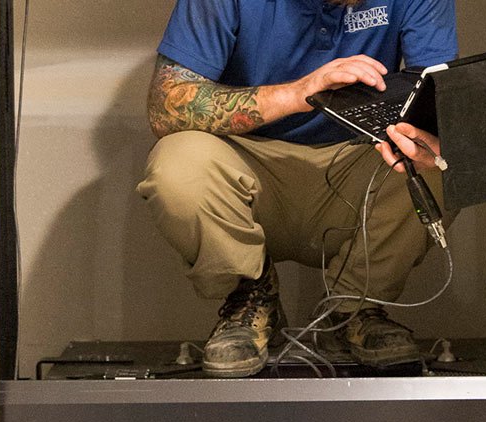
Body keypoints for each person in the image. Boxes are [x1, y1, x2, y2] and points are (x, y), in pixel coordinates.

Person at [136, 0, 458, 377]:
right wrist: (298, 93)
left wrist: (429, 136)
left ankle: (352, 308)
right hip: (247, 166)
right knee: (177, 166)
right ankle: (252, 298)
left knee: (449, 159)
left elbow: (438, 97)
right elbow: (164, 107)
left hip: (360, 164)